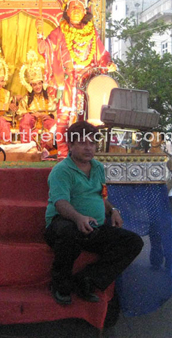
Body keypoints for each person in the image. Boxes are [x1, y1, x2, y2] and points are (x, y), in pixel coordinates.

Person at [44, 121, 144, 305]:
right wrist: (78, 218)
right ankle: (60, 284)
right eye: (82, 143)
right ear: (71, 145)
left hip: (93, 228)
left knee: (133, 242)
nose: (89, 148)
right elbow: (60, 202)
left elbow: (102, 196)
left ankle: (87, 279)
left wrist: (113, 211)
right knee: (68, 232)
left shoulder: (97, 167)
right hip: (63, 225)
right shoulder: (61, 171)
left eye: (92, 143)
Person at [37, 0, 116, 159]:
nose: (75, 11)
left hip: (86, 82)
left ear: (85, 11)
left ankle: (83, 155)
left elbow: (101, 55)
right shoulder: (59, 32)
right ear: (67, 9)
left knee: (84, 120)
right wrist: (39, 34)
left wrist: (107, 64)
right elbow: (44, 49)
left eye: (79, 8)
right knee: (63, 120)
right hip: (66, 82)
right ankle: (63, 155)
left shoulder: (92, 33)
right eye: (72, 7)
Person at [17, 50, 57, 152]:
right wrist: (32, 115)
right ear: (30, 86)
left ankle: (45, 150)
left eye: (39, 83)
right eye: (35, 84)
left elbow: (55, 112)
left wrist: (48, 116)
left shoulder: (49, 98)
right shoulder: (25, 99)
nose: (38, 86)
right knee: (26, 118)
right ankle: (28, 148)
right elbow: (20, 113)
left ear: (42, 83)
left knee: (53, 123)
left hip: (45, 123)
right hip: (32, 124)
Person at [149, 132, 172, 219]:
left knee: (169, 220)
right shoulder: (145, 157)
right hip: (151, 195)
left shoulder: (167, 158)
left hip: (166, 195)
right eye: (152, 137)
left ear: (162, 141)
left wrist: (166, 188)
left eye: (157, 138)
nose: (154, 140)